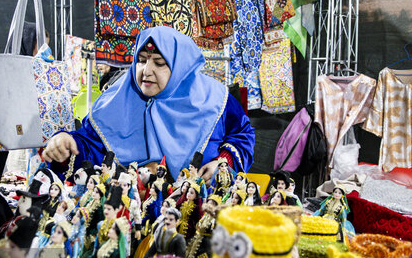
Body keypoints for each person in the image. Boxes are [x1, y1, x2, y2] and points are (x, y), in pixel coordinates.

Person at [42, 26, 254, 182]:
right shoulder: (116, 101)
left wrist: (224, 162)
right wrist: (65, 142)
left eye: (159, 63)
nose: (146, 70)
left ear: (181, 67)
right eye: (141, 60)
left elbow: (242, 135)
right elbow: (88, 146)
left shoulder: (214, 99)